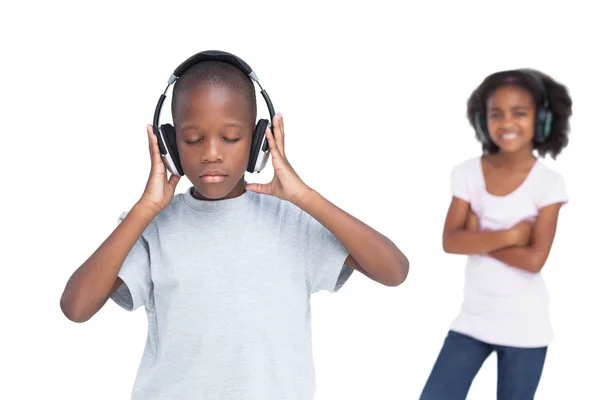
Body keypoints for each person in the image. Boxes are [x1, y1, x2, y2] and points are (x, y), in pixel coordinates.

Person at [60, 50, 410, 400]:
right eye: (193, 139)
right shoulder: (152, 228)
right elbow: (76, 308)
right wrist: (144, 209)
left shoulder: (292, 220)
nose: (211, 152)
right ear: (169, 145)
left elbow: (394, 270)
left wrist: (304, 196)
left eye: (230, 137)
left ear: (261, 141)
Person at [419, 68, 573, 400]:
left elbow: (534, 261)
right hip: (472, 321)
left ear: (542, 119)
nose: (507, 123)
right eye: (496, 114)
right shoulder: (467, 174)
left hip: (525, 326)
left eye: (520, 113)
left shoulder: (548, 184)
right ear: (481, 120)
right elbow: (451, 241)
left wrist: (478, 235)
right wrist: (510, 235)